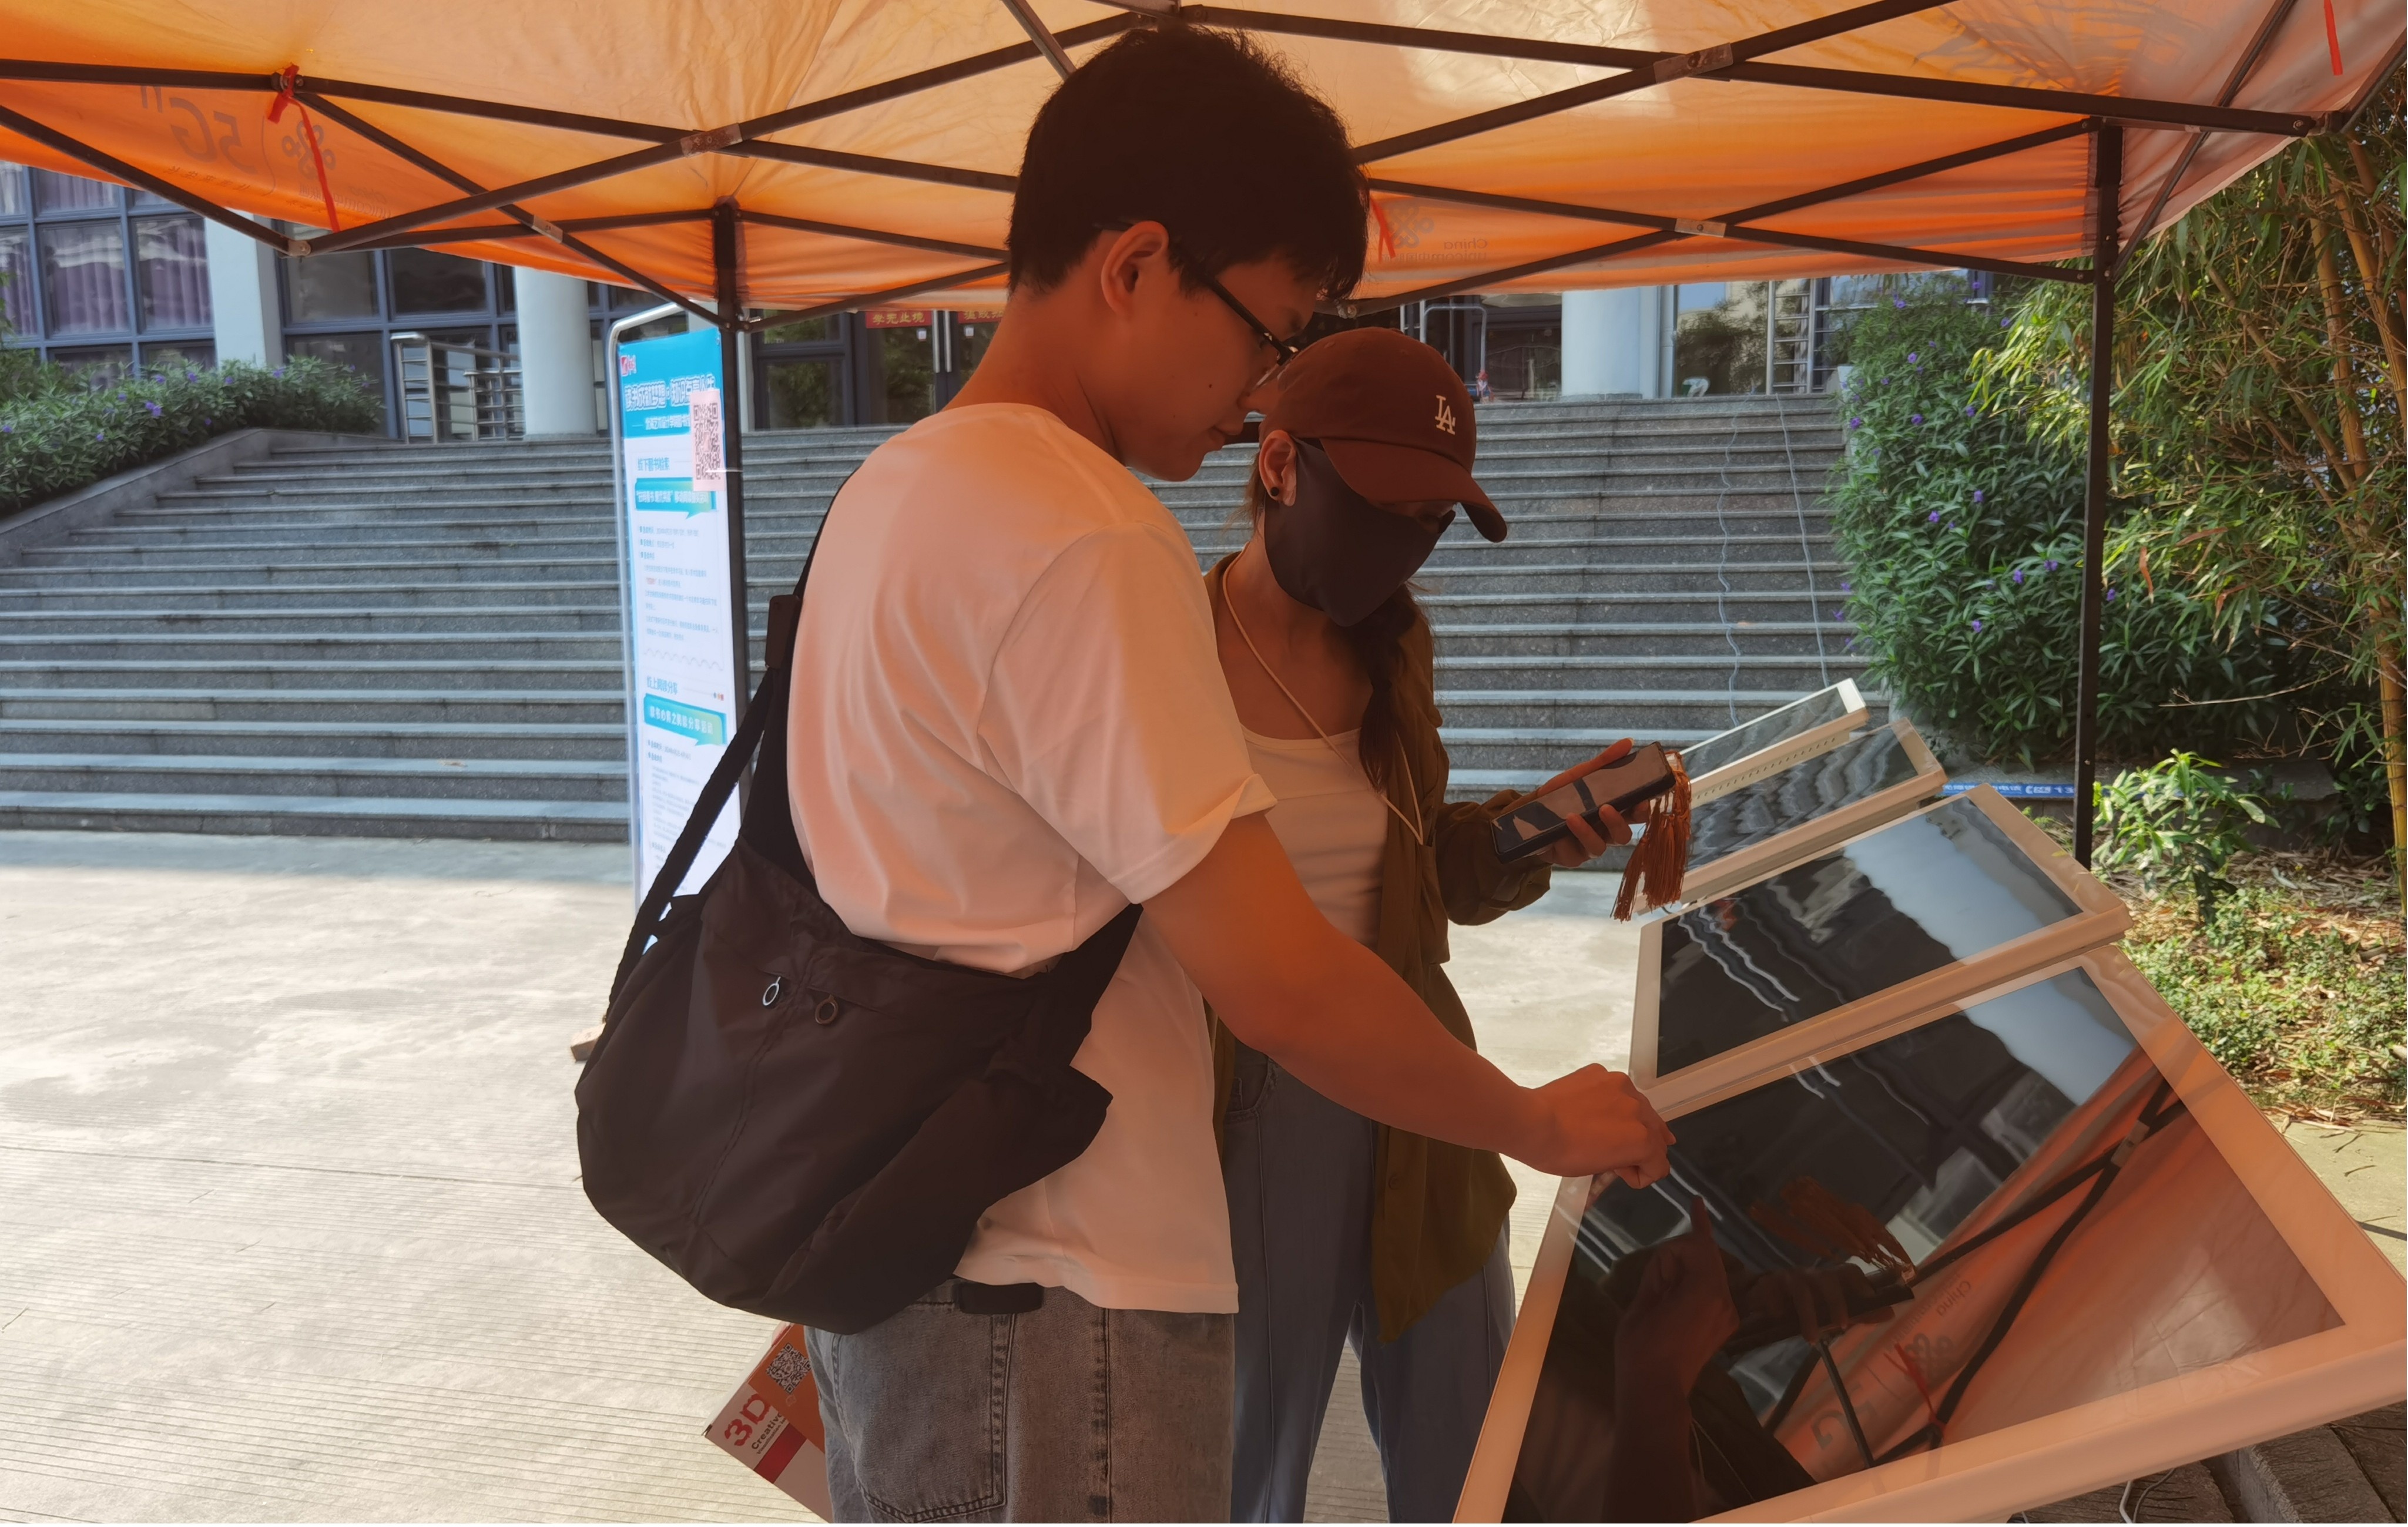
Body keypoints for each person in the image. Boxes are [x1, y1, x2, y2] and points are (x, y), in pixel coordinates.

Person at [784, 25, 1673, 1522]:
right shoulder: (1084, 531)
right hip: (1060, 1298)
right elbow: (1278, 980)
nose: (1260, 384)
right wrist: (1537, 1119)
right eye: (1270, 332)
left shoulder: (892, 490)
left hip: (923, 1264)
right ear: (1137, 266)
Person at [1206, 327, 1642, 1521]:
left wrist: (1530, 834)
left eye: (1432, 518)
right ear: (1281, 465)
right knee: (1248, 1464)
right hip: (1246, 1096)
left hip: (1417, 1073)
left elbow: (1418, 864)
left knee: (1475, 1458)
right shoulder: (1161, 653)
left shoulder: (1393, 648)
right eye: (1383, 508)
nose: (1404, 543)